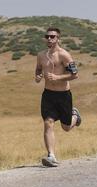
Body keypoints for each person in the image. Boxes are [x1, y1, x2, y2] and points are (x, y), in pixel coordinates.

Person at [35, 27, 81, 167]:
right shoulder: (41, 55)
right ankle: (51, 156)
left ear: (58, 39)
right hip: (48, 95)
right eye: (47, 36)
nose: (49, 39)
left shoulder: (64, 55)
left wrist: (57, 77)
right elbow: (38, 68)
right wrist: (37, 75)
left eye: (52, 37)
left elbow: (75, 75)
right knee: (48, 123)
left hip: (63, 95)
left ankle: (76, 117)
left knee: (66, 127)